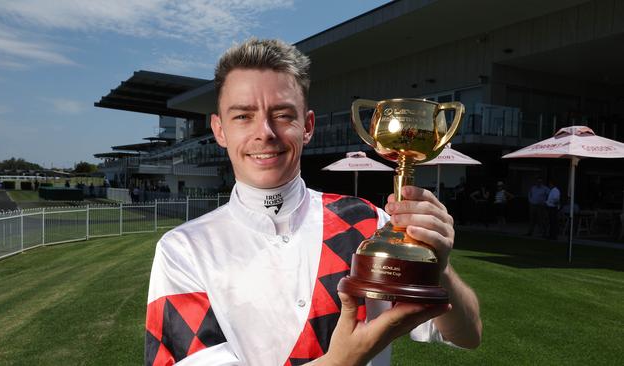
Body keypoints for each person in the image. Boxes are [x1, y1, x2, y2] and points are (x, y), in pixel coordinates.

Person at [144, 38, 481, 366]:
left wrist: (440, 267)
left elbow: (468, 334)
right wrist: (340, 361)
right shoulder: (183, 249)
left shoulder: (369, 222)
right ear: (219, 130)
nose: (265, 132)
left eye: (282, 114)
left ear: (307, 126)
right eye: (243, 116)